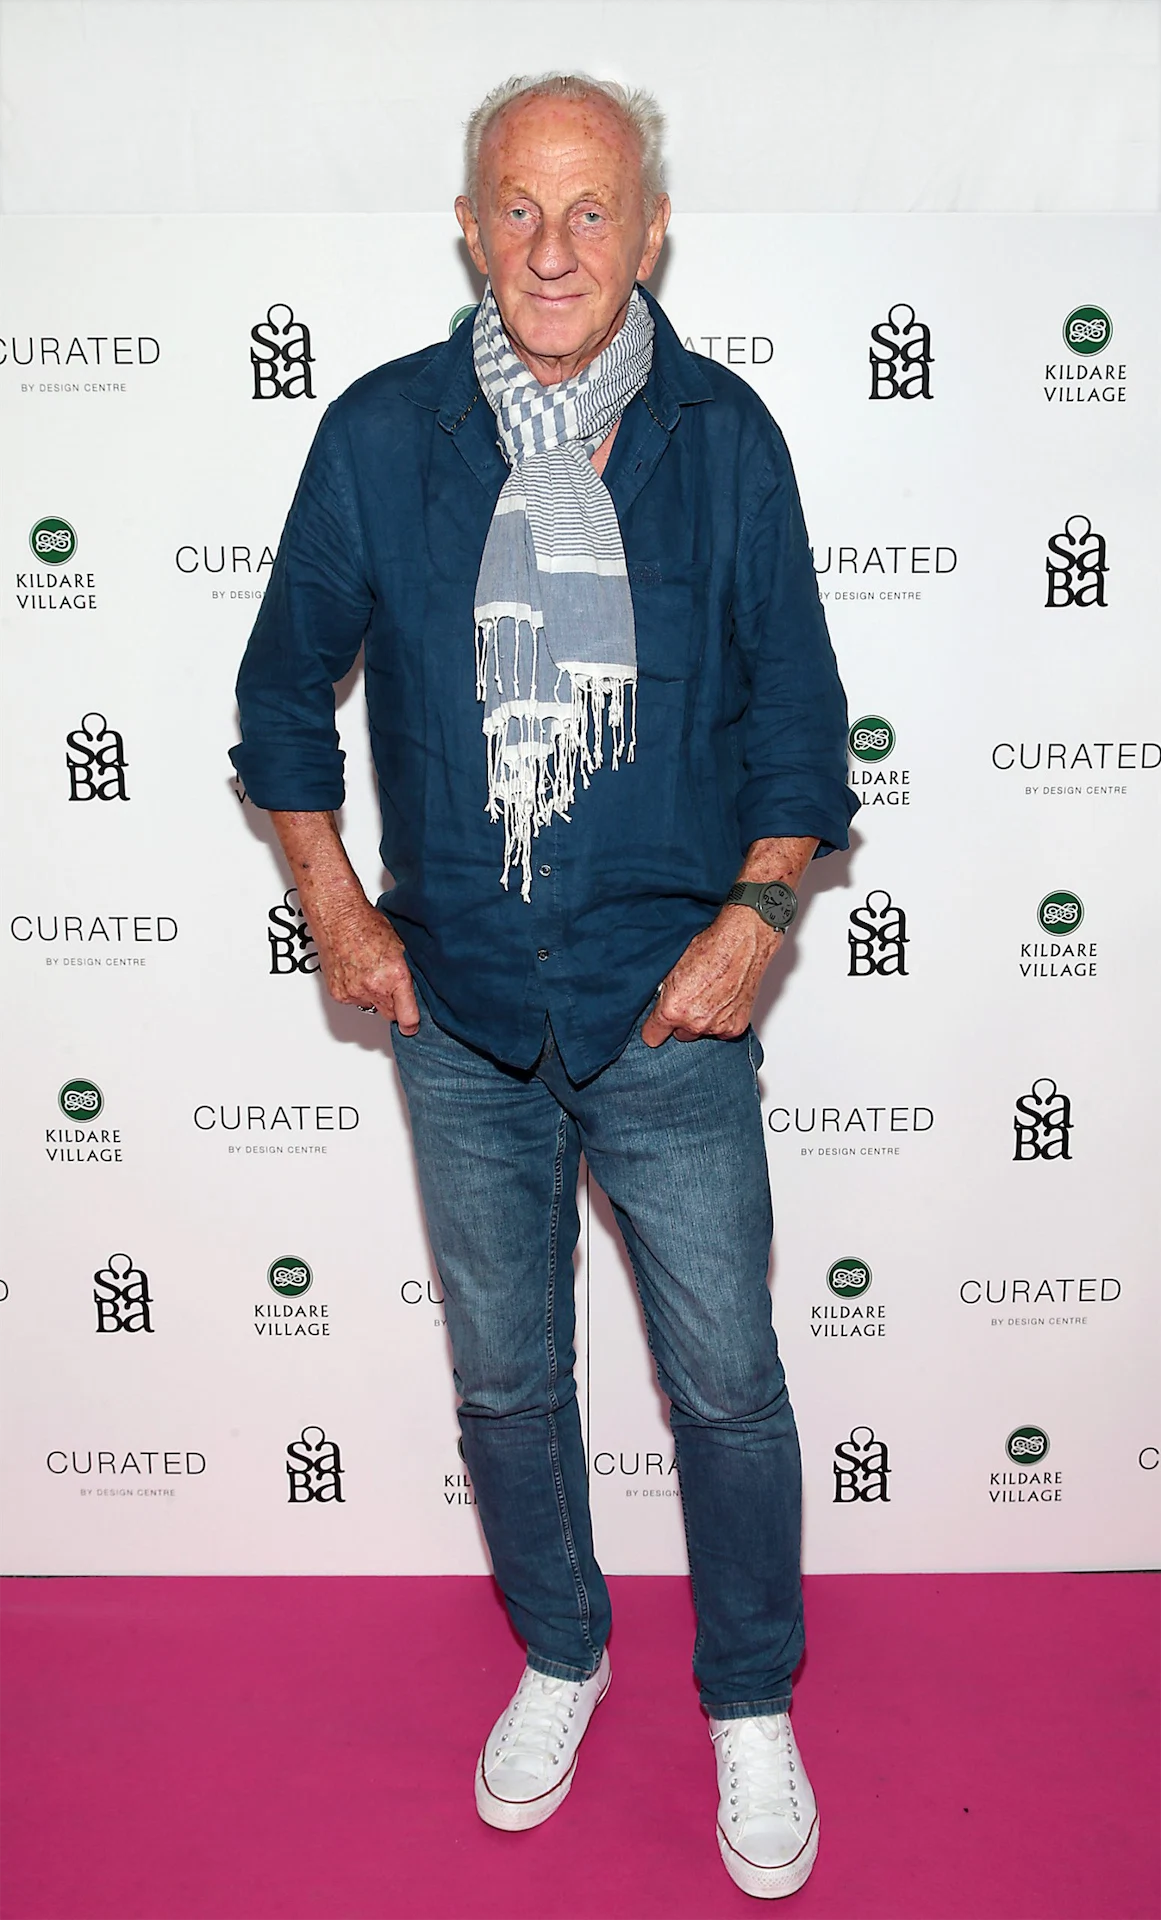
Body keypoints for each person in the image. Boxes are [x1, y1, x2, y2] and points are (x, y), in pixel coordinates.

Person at [231, 71, 856, 1901]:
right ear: (468, 228)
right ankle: (563, 1652)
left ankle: (750, 1698)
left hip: (670, 1011)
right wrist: (337, 908)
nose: (555, 247)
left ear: (652, 232)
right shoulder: (381, 437)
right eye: (519, 207)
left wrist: (756, 920)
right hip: (462, 1015)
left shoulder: (725, 440)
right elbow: (279, 699)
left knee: (726, 1384)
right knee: (508, 1381)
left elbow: (800, 721)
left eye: (593, 211)